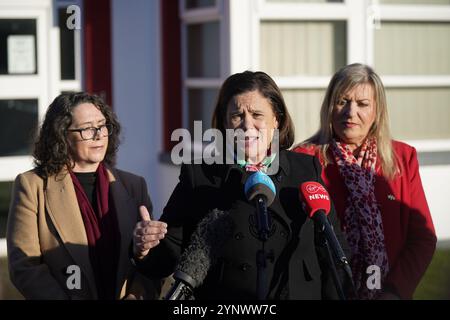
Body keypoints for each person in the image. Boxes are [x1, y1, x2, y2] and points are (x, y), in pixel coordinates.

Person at [131, 71, 350, 300]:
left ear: (277, 119)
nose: (247, 125)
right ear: (225, 123)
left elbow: (333, 253)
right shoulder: (201, 176)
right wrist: (143, 250)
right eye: (237, 115)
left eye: (257, 114)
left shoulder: (305, 170)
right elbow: (167, 255)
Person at [294, 63, 437, 300]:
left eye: (362, 104)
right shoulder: (303, 159)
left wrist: (394, 291)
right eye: (342, 101)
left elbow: (422, 237)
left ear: (377, 111)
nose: (350, 113)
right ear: (330, 106)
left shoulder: (402, 158)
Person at [7, 92, 167, 299]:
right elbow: (25, 266)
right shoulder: (33, 186)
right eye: (87, 129)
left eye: (102, 126)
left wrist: (136, 295)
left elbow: (151, 264)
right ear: (62, 135)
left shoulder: (134, 185)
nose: (99, 135)